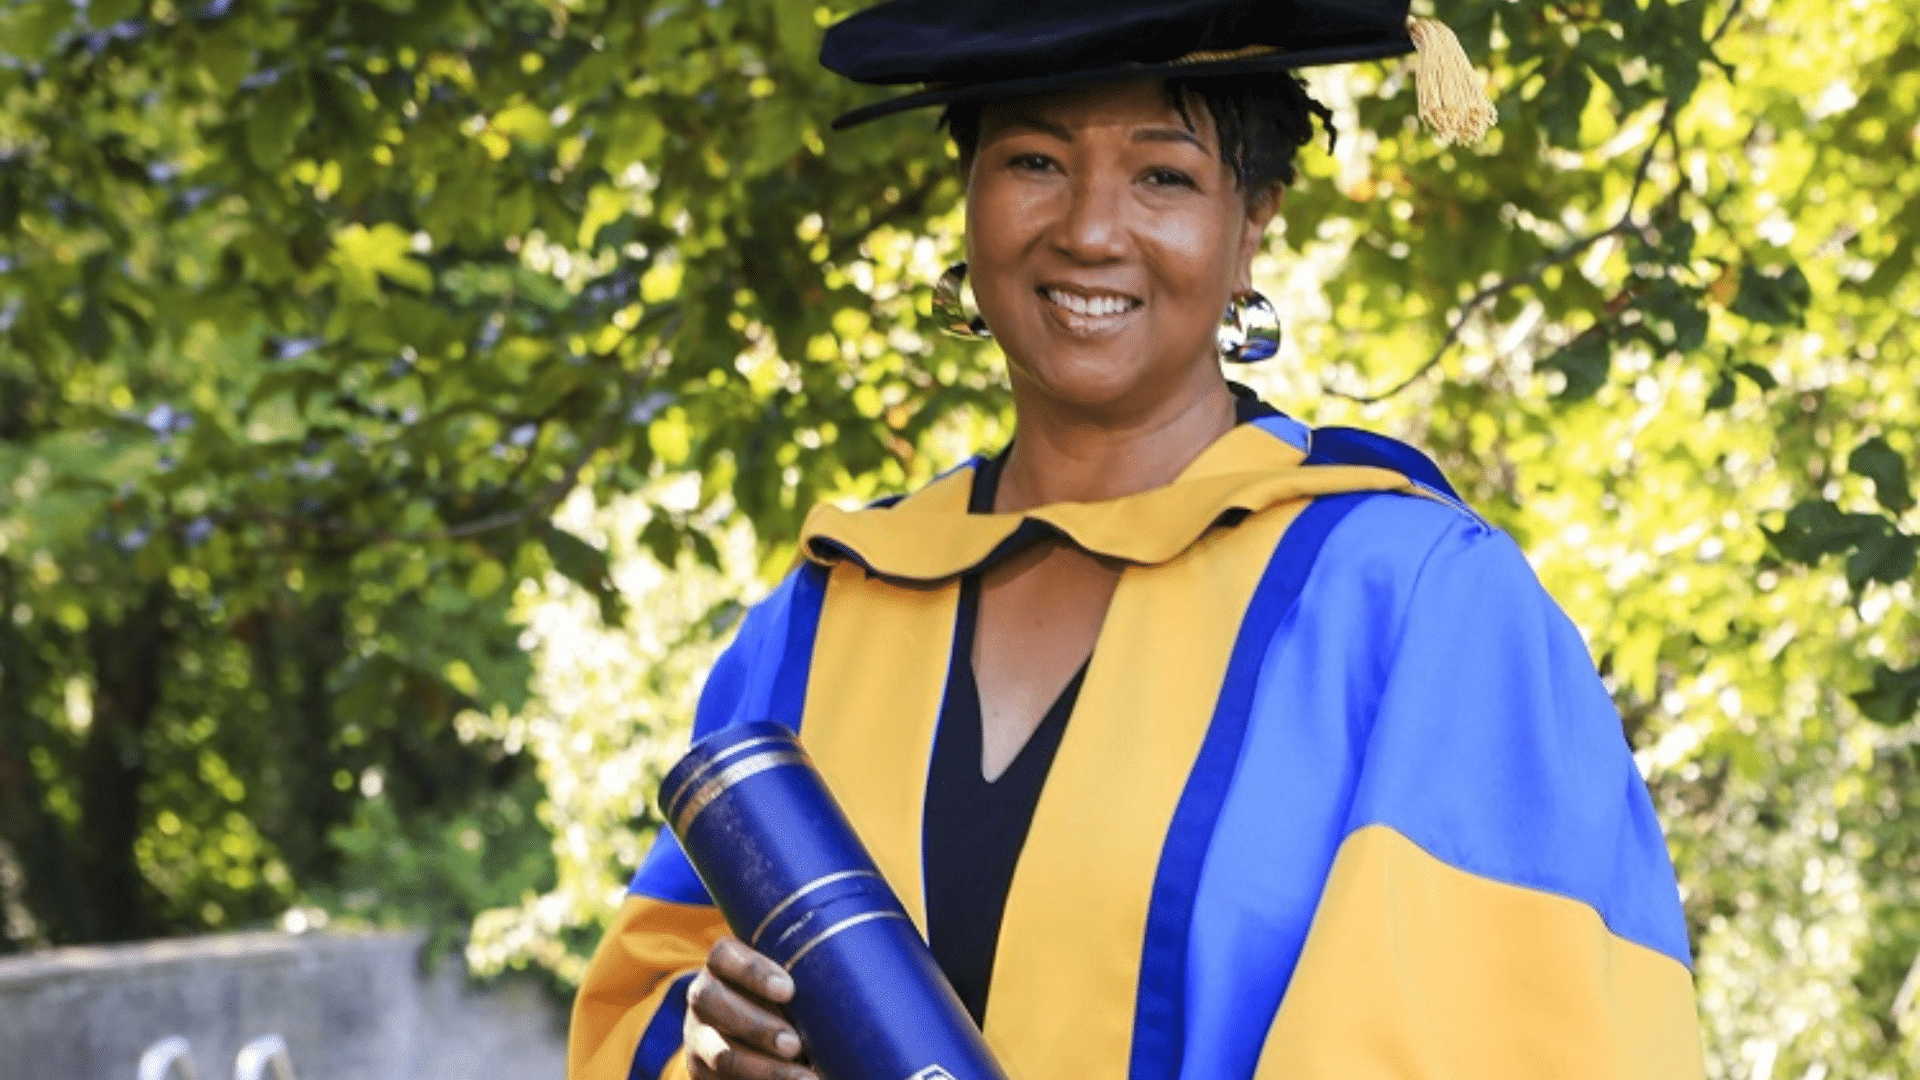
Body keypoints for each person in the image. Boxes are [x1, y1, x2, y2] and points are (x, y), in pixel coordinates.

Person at [569, 2, 1706, 1078]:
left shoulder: (1415, 606)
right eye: (1034, 161)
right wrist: (711, 1050)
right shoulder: (824, 618)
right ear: (968, 193)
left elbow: (1521, 1035)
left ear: (1253, 224)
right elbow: (645, 1006)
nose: (1089, 230)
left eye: (1164, 176)